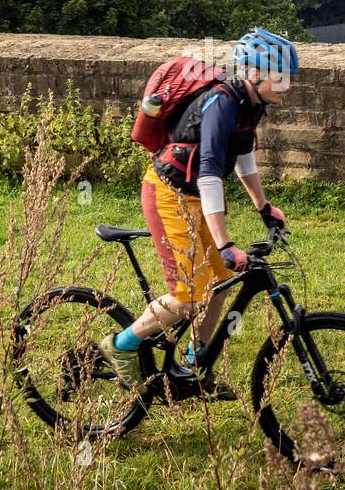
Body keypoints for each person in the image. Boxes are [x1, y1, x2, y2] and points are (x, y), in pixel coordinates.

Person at [99, 27, 297, 397]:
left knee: (220, 283)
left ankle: (191, 367)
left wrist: (264, 206)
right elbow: (208, 172)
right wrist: (224, 242)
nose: (287, 86)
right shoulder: (222, 103)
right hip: (169, 191)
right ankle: (120, 345)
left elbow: (241, 154)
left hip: (193, 195)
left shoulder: (251, 104)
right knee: (188, 295)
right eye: (280, 78)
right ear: (253, 74)